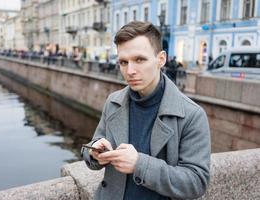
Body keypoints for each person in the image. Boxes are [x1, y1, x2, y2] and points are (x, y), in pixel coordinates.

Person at [81, 21, 211, 200]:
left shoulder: (191, 115)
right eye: (123, 62)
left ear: (161, 59)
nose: (130, 71)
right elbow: (92, 152)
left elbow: (196, 182)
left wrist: (139, 164)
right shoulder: (113, 102)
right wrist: (94, 153)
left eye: (139, 60)